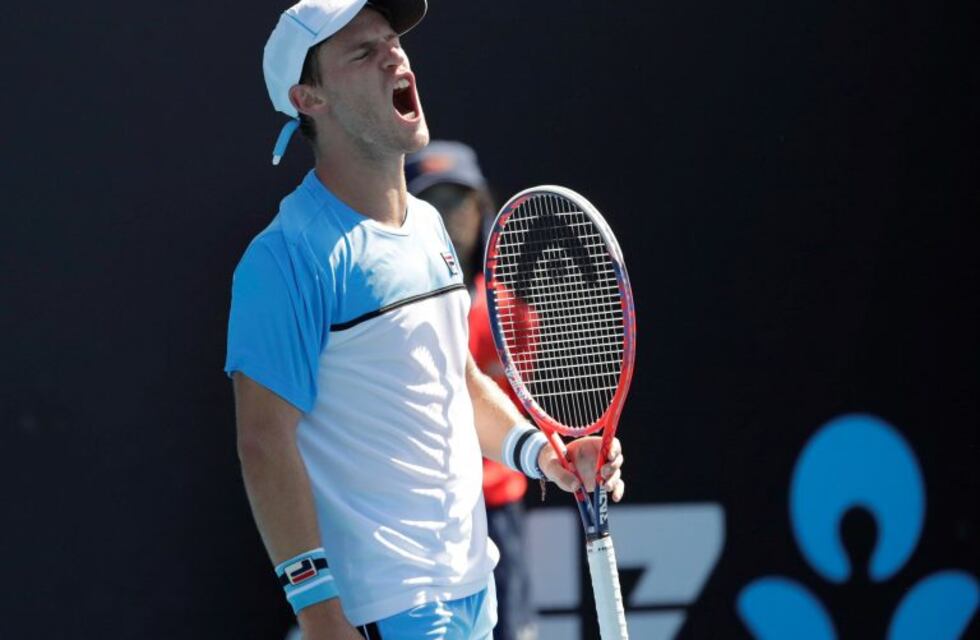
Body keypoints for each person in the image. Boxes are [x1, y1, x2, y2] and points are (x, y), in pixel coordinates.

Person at [225, 2, 626, 639]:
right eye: (361, 52)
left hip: (471, 586)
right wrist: (320, 612)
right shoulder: (285, 258)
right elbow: (264, 441)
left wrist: (541, 455)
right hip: (383, 605)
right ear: (310, 98)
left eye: (391, 41)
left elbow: (457, 384)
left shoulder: (430, 227)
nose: (394, 56)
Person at [406, 141, 536, 640]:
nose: (447, 216)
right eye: (432, 202)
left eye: (458, 201)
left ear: (481, 208)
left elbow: (499, 413)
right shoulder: (383, 315)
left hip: (493, 512)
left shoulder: (509, 316)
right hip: (415, 518)